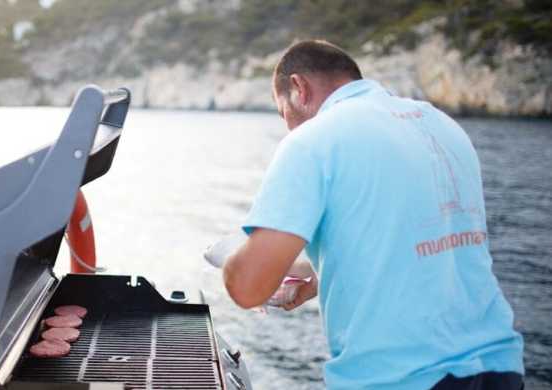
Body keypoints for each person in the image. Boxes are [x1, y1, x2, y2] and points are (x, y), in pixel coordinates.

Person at [222, 40, 524, 389]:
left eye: (282, 113)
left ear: (299, 88)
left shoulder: (312, 140)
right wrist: (316, 277)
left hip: (400, 379)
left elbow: (247, 287)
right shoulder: (439, 124)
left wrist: (230, 258)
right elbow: (414, 239)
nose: (288, 126)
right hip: (497, 368)